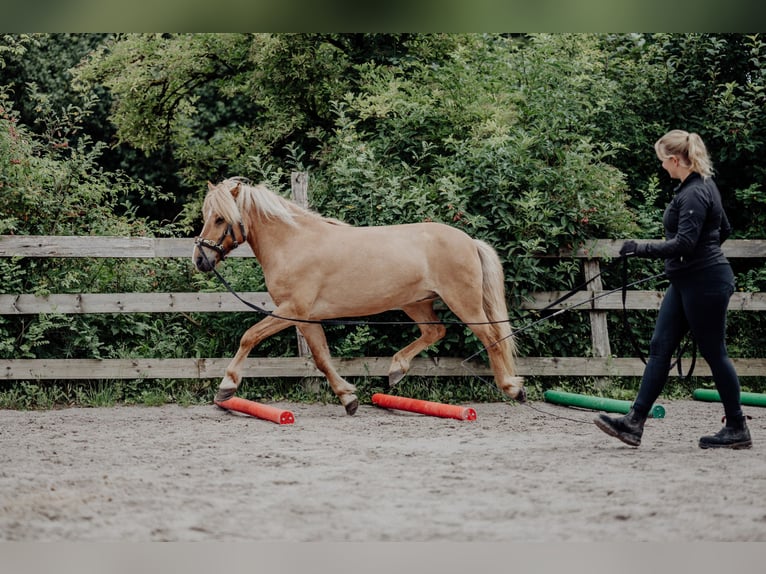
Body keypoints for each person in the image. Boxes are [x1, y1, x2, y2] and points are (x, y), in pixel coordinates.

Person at [594, 129, 751, 449]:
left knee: (714, 352)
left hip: (705, 283)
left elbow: (685, 243)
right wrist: (691, 263)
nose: (662, 167)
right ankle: (634, 422)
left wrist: (639, 247)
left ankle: (737, 427)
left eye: (663, 161)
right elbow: (723, 229)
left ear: (675, 159)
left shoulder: (695, 193)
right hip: (688, 281)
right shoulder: (699, 187)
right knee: (660, 345)